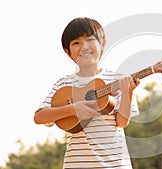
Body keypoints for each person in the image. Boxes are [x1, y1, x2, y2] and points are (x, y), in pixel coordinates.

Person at [34, 17, 140, 169]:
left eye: (90, 39)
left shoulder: (117, 79)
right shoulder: (64, 84)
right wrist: (73, 109)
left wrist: (127, 92)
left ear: (102, 43)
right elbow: (39, 116)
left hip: (115, 165)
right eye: (76, 43)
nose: (84, 47)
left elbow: (121, 122)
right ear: (68, 52)